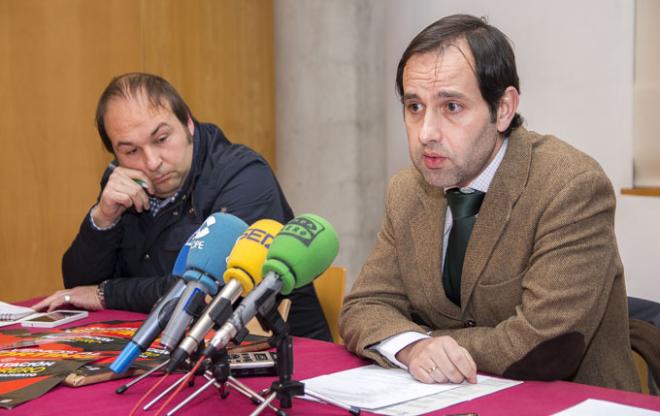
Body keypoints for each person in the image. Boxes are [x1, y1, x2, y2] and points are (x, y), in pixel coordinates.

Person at [340, 14, 640, 391]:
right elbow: (364, 306)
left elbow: (544, 345)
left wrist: (423, 340)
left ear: (503, 109)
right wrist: (412, 348)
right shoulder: (407, 190)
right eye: (414, 107)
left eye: (451, 107)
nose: (426, 133)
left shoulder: (570, 187)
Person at [34, 72, 331, 341]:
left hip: (282, 357)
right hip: (170, 348)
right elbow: (78, 288)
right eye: (131, 151)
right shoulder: (124, 182)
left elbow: (209, 291)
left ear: (188, 123)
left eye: (162, 139)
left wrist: (107, 293)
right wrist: (104, 216)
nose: (151, 162)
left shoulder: (243, 175)